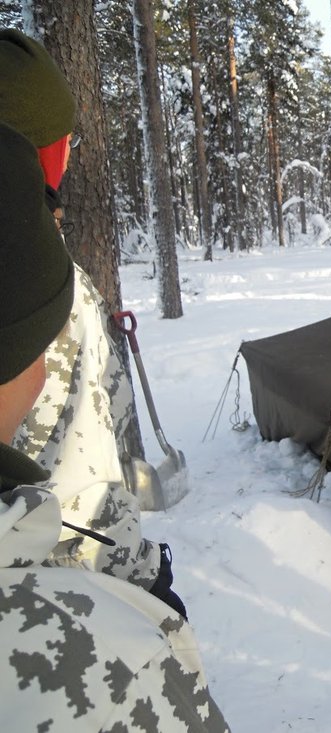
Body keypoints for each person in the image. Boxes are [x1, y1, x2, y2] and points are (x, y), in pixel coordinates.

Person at [0, 121, 228, 732]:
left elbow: (106, 414)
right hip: (77, 567)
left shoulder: (57, 273)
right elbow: (68, 480)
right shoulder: (113, 665)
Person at [0, 28, 184, 615]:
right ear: (40, 151)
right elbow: (69, 474)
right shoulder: (32, 281)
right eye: (65, 138)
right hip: (68, 591)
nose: (72, 151)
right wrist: (142, 575)